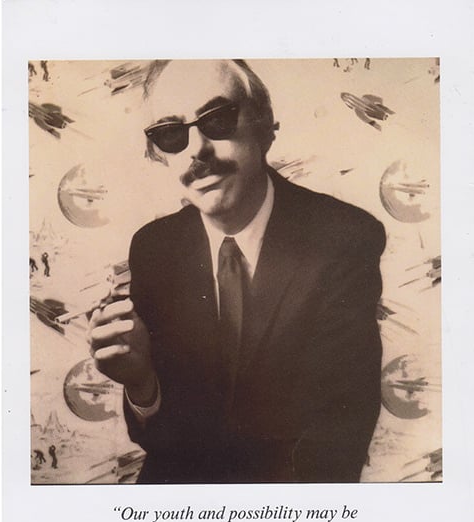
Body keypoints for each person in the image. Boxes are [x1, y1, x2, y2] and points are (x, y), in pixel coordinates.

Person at [89, 60, 385, 484]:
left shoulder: (343, 239)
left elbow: (339, 436)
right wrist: (141, 382)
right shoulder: (154, 248)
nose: (196, 151)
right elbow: (160, 439)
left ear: (265, 126)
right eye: (171, 133)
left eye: (217, 119)